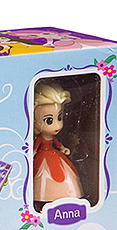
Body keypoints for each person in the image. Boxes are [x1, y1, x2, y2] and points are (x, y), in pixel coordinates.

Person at [33, 82, 83, 211]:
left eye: (59, 118)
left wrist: (63, 148)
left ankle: (66, 194)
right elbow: (36, 147)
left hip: (55, 156)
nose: (57, 125)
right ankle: (45, 196)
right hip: (43, 158)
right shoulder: (41, 138)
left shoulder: (51, 137)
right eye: (49, 120)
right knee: (42, 177)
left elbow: (57, 143)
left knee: (65, 174)